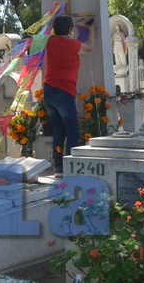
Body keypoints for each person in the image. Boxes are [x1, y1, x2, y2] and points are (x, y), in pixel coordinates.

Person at [44, 15, 95, 178]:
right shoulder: (73, 45)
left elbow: (52, 31)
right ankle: (69, 167)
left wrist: (74, 24)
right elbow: (89, 48)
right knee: (72, 131)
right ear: (70, 30)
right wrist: (92, 30)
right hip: (64, 92)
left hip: (48, 92)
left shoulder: (50, 42)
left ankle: (59, 167)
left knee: (58, 130)